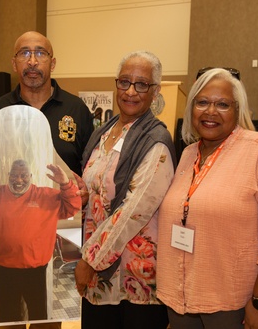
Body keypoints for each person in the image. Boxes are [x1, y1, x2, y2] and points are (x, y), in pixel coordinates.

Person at [156, 68, 258, 329]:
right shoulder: (190, 153)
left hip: (238, 304)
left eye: (223, 104)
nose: (210, 111)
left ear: (238, 110)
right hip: (183, 301)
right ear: (191, 108)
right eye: (202, 102)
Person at [73, 51, 177, 329]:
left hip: (133, 278)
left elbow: (134, 211)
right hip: (99, 273)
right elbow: (97, 191)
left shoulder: (156, 142)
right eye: (124, 82)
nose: (131, 91)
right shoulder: (104, 132)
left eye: (141, 84)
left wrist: (89, 260)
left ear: (154, 91)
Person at [0, 160, 81, 327]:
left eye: (23, 176)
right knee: (8, 317)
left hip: (35, 270)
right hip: (4, 269)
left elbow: (73, 207)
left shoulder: (46, 196)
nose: (19, 180)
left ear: (30, 176)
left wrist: (66, 185)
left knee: (39, 316)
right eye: (14, 175)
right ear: (8, 176)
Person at [0, 31, 94, 177]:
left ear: (52, 64)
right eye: (24, 53)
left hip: (65, 199)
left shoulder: (77, 110)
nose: (32, 62)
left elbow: (91, 168)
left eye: (41, 53)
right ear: (14, 64)